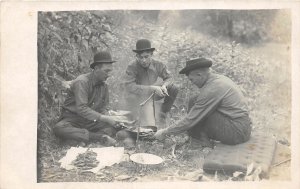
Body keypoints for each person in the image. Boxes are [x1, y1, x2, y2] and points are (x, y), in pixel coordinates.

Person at [153, 57, 252, 147]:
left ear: (200, 75)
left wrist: (164, 132)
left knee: (197, 114)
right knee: (195, 100)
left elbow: (191, 119)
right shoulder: (218, 79)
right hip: (240, 126)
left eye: (192, 80)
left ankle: (199, 142)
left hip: (238, 132)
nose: (192, 83)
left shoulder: (213, 88)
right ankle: (199, 139)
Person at [53, 51, 130, 146]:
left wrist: (114, 119)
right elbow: (82, 109)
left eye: (110, 71)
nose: (109, 74)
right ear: (96, 68)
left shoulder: (104, 86)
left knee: (116, 127)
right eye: (106, 71)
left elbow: (103, 108)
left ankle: (81, 139)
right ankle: (98, 137)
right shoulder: (82, 82)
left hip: (91, 122)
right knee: (59, 128)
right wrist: (106, 118)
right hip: (73, 120)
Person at [122, 39, 178, 126]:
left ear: (151, 55)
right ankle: (135, 117)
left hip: (151, 94)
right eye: (140, 57)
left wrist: (164, 86)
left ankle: (162, 114)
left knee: (173, 88)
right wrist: (152, 88)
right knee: (132, 98)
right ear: (137, 56)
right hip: (137, 96)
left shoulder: (158, 64)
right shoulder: (132, 66)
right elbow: (129, 86)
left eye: (146, 56)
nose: (143, 60)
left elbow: (169, 78)